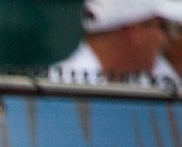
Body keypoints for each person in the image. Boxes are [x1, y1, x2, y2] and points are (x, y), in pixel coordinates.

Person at [48, 0, 182, 86]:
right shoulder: (53, 87)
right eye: (162, 26)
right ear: (136, 31)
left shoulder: (162, 81)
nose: (164, 39)